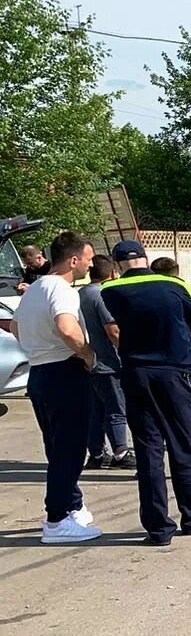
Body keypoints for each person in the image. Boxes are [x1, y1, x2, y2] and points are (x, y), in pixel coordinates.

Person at [101, 240, 191, 546]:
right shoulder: (173, 285)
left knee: (148, 449)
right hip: (175, 372)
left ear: (117, 266)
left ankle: (158, 528)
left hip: (136, 374)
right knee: (183, 444)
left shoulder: (109, 292)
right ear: (145, 258)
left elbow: (113, 331)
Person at [11, 232, 102, 544]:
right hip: (64, 371)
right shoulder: (62, 289)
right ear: (73, 260)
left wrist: (36, 348)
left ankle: (72, 506)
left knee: (56, 446)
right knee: (70, 449)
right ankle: (57, 519)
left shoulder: (34, 289)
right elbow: (66, 327)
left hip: (40, 373)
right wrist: (88, 354)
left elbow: (15, 326)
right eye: (88, 259)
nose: (90, 265)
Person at [149, 256, 191, 475]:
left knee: (153, 421)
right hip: (180, 365)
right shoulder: (180, 290)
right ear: (177, 273)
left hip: (146, 368)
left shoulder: (139, 294)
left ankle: (150, 468)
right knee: (187, 419)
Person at [78, 255, 134, 470]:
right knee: (116, 409)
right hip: (109, 362)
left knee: (96, 410)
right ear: (112, 273)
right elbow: (113, 330)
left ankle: (97, 453)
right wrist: (127, 353)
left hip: (89, 360)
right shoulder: (102, 295)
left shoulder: (80, 294)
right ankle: (121, 452)